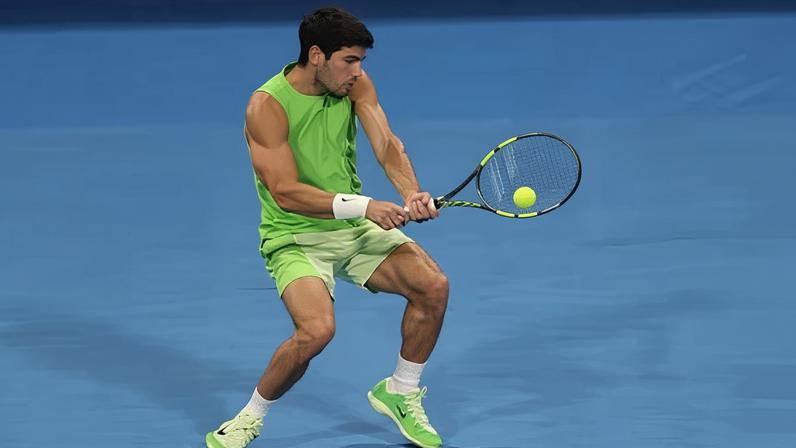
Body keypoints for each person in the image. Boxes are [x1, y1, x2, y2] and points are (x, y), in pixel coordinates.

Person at [205, 7, 449, 448]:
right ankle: (248, 418)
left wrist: (411, 191)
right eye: (349, 61)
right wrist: (365, 205)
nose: (358, 72)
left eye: (361, 62)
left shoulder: (356, 86)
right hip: (294, 236)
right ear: (316, 55)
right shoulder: (267, 105)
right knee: (317, 331)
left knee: (433, 286)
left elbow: (387, 144)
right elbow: (284, 192)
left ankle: (400, 391)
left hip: (353, 229)